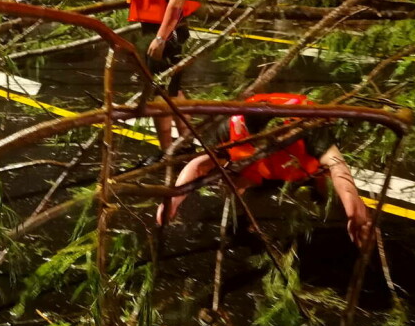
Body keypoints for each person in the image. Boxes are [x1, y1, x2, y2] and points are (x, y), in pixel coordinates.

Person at [156, 93, 372, 247]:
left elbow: (337, 164)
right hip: (259, 166)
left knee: (332, 192)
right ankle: (242, 219)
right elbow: (199, 165)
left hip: (303, 164)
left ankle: (345, 222)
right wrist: (173, 200)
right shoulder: (232, 125)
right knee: (232, 182)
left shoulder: (305, 124)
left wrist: (352, 207)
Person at [117, 0, 200, 153]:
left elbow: (176, 1)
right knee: (171, 89)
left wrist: (161, 39)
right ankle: (182, 145)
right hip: (152, 29)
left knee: (162, 90)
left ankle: (170, 149)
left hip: (168, 31)